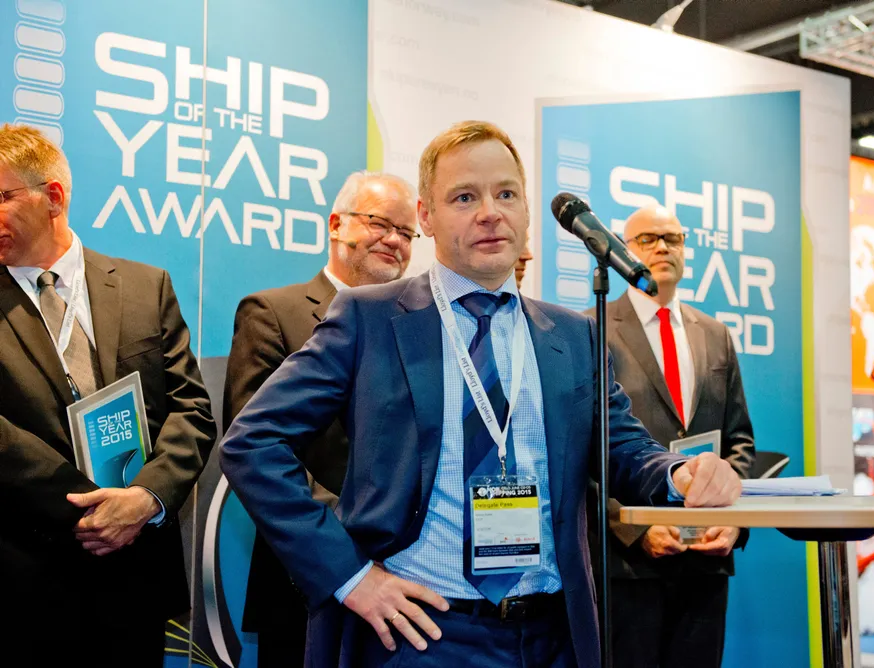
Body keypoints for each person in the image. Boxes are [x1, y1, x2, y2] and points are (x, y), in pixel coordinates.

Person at [219, 120, 741, 668]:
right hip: (420, 636)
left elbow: (624, 448)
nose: (490, 212)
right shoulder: (369, 318)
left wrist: (681, 474)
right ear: (426, 217)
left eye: (506, 194)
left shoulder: (574, 336)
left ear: (527, 211)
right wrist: (350, 576)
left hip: (552, 637)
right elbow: (253, 443)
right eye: (465, 197)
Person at [0, 123, 216, 665]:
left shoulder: (146, 287)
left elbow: (191, 409)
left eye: (2, 197)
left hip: (135, 581)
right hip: (22, 580)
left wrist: (145, 499)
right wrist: (94, 508)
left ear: (53, 197)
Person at [223, 170, 417, 667]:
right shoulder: (272, 312)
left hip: (406, 576)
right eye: (379, 223)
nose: (394, 240)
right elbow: (256, 448)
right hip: (306, 577)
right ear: (336, 225)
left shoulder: (417, 329)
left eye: (406, 232)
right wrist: (348, 532)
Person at [588, 205, 755, 668]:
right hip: (628, 567)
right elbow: (583, 453)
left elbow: (740, 442)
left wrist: (735, 521)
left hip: (706, 561)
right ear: (623, 251)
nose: (662, 248)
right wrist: (634, 528)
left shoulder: (715, 335)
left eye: (673, 238)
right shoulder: (592, 328)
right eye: (647, 239)